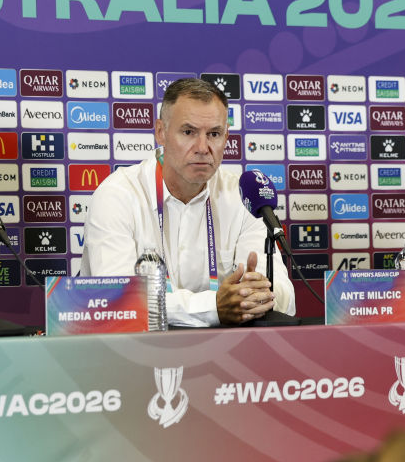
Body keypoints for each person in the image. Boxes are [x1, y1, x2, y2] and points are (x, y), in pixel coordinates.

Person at [81, 78, 295, 326]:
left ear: (226, 137)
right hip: (133, 347)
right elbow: (119, 302)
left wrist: (259, 295)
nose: (202, 148)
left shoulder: (244, 196)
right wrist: (213, 307)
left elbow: (284, 297)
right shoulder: (117, 195)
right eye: (188, 132)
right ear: (161, 132)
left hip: (228, 347)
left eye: (214, 134)